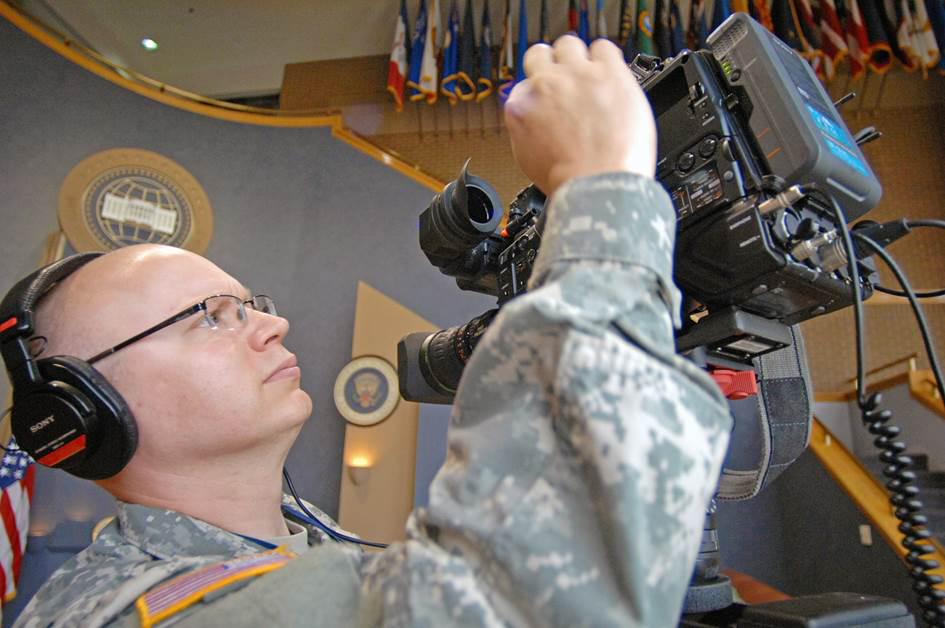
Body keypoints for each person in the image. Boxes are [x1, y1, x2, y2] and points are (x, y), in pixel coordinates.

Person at [9, 35, 731, 627]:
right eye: (207, 317)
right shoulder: (135, 613)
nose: (272, 324)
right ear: (82, 408)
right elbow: (531, 597)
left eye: (246, 302)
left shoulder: (298, 544)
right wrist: (602, 187)